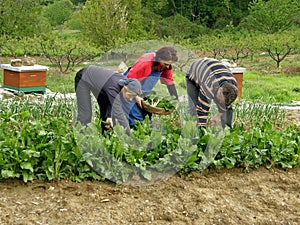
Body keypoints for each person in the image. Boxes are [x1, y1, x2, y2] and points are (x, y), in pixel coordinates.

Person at [75, 65, 142, 134]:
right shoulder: (113, 89)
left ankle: (105, 136)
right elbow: (119, 115)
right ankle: (78, 136)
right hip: (83, 78)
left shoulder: (125, 82)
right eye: (130, 96)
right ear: (124, 88)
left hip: (101, 83)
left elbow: (112, 101)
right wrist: (129, 136)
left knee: (106, 114)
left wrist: (136, 97)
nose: (131, 99)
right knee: (85, 114)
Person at [124, 46, 179, 125]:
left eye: (169, 64)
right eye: (166, 64)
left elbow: (169, 82)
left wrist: (175, 100)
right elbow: (128, 81)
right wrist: (136, 97)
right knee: (136, 118)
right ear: (159, 59)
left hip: (142, 93)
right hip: (129, 89)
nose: (167, 66)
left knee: (147, 119)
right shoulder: (146, 61)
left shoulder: (165, 65)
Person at [186, 58, 238, 129]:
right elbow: (202, 110)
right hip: (193, 73)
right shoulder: (209, 86)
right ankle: (193, 132)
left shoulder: (233, 86)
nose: (219, 103)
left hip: (212, 69)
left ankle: (227, 130)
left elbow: (226, 105)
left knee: (228, 110)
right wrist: (202, 131)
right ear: (220, 89)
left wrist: (218, 116)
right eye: (219, 101)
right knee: (194, 108)